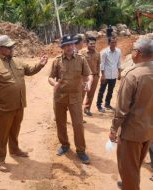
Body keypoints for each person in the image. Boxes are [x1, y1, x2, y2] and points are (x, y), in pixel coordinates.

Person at [0, 35, 48, 172]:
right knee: (1, 134)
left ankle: (14, 149)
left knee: (15, 130)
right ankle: (0, 159)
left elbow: (29, 71)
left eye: (12, 46)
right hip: (4, 108)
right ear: (1, 49)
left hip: (19, 105)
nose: (12, 48)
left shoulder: (17, 61)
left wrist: (40, 65)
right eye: (9, 47)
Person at [109, 37, 153, 190]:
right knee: (135, 165)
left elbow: (121, 109)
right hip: (148, 131)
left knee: (128, 167)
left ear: (138, 53)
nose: (133, 52)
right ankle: (129, 181)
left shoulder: (133, 75)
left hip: (131, 133)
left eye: (134, 50)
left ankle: (130, 184)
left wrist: (113, 129)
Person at [48, 35, 92, 164]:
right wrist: (53, 84)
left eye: (71, 45)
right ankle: (65, 145)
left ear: (74, 45)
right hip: (59, 97)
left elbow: (88, 75)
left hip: (75, 97)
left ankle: (81, 150)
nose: (69, 47)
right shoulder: (56, 61)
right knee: (60, 123)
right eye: (66, 45)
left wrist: (88, 83)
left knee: (78, 124)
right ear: (62, 47)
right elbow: (50, 77)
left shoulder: (81, 59)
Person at [96, 36, 121, 112]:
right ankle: (99, 105)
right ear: (109, 43)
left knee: (111, 90)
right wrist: (103, 75)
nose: (114, 44)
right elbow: (102, 64)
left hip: (113, 75)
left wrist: (119, 73)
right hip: (106, 75)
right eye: (112, 42)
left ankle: (107, 104)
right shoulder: (104, 52)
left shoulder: (118, 51)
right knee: (102, 90)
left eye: (115, 42)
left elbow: (119, 63)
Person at [81, 37, 100, 116]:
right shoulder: (82, 53)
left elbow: (98, 65)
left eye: (94, 44)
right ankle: (78, 111)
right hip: (85, 77)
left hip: (95, 76)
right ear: (87, 44)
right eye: (91, 44)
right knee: (81, 94)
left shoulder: (98, 54)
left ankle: (87, 109)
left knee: (91, 94)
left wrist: (98, 75)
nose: (93, 45)